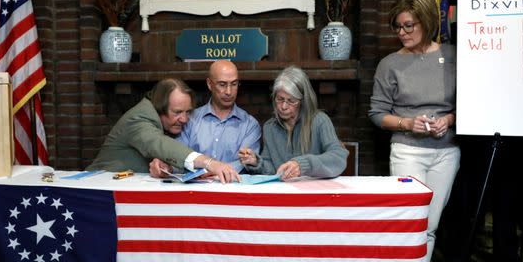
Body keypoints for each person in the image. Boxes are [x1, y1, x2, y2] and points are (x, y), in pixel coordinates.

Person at [369, 0, 460, 262]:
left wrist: (451, 119)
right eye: (398, 26)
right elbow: (376, 114)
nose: (402, 32)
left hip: (446, 153)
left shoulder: (453, 55)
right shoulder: (390, 64)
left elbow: (473, 103)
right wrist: (408, 123)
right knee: (411, 222)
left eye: (409, 25)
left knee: (430, 225)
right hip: (408, 152)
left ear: (427, 21)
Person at [87, 78, 240, 183]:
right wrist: (209, 163)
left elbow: (169, 156)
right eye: (177, 112)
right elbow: (160, 144)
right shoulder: (139, 118)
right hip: (95, 191)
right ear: (160, 107)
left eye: (188, 112)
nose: (185, 119)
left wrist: (166, 167)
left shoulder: (164, 121)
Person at [238, 66, 347, 180]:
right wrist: (256, 162)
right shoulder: (270, 127)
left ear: (303, 101)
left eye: (291, 101)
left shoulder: (320, 121)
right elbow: (273, 170)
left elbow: (338, 158)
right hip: (283, 192)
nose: (283, 106)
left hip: (313, 192)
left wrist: (302, 165)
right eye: (280, 99)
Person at [158, 60, 260, 173]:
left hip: (232, 188)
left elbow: (246, 165)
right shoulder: (190, 119)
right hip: (195, 189)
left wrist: (209, 171)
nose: (229, 91)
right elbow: (180, 157)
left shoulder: (250, 124)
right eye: (222, 84)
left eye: (234, 84)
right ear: (209, 84)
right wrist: (167, 168)